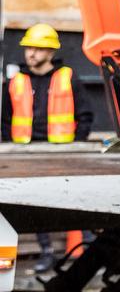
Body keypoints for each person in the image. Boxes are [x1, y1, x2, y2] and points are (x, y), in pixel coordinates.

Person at [2, 24, 94, 271]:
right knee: (33, 203)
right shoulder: (15, 81)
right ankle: (46, 252)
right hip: (26, 152)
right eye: (28, 47)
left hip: (63, 151)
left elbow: (85, 114)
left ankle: (87, 241)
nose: (30, 53)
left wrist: (78, 146)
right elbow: (5, 119)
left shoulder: (67, 77)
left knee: (73, 199)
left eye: (37, 48)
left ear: (51, 52)